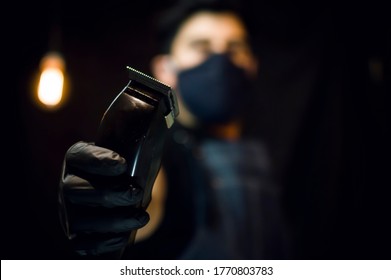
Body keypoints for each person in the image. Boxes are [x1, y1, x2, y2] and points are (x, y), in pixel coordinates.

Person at [58, 0, 290, 259]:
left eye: (234, 47)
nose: (220, 60)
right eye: (201, 47)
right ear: (165, 70)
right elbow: (149, 200)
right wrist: (106, 201)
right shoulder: (164, 154)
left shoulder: (273, 154)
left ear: (252, 65)